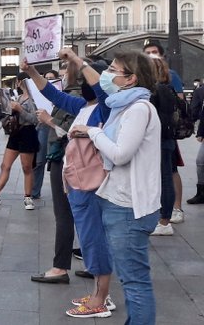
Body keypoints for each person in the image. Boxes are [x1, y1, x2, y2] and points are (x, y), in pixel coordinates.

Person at [70, 51, 161, 322]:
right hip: (120, 200)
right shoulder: (124, 106)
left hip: (129, 205)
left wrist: (93, 132)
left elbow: (120, 154)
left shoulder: (138, 109)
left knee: (135, 283)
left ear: (131, 79)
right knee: (132, 280)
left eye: (113, 70)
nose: (107, 75)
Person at [24, 50, 115, 318]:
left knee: (94, 238)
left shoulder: (105, 106)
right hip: (77, 181)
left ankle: (100, 300)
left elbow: (101, 90)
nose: (81, 81)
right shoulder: (83, 107)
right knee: (88, 237)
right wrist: (32, 72)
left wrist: (78, 60)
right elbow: (54, 95)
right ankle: (100, 294)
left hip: (92, 182)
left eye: (86, 78)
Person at [0, 73, 40, 209]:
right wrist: (7, 110)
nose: (20, 83)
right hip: (16, 133)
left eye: (21, 81)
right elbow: (6, 116)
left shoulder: (35, 99)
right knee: (5, 165)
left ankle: (28, 197)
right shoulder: (18, 97)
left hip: (28, 132)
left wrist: (20, 109)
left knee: (27, 167)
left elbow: (35, 120)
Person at [143, 41, 186, 224]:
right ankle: (163, 213)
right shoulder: (151, 84)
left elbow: (180, 101)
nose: (151, 56)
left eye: (154, 52)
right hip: (161, 135)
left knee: (169, 172)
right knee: (164, 173)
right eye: (147, 53)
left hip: (163, 134)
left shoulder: (168, 80)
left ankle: (173, 210)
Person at [147, 57, 180, 236]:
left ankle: (164, 220)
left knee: (164, 178)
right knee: (164, 177)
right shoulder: (167, 88)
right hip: (166, 139)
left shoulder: (157, 90)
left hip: (159, 140)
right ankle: (162, 218)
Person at [32, 70, 59, 200]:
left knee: (55, 160)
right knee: (39, 161)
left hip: (56, 126)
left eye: (51, 78)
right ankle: (34, 191)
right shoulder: (40, 92)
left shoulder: (60, 93)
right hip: (43, 126)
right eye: (46, 78)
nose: (48, 80)